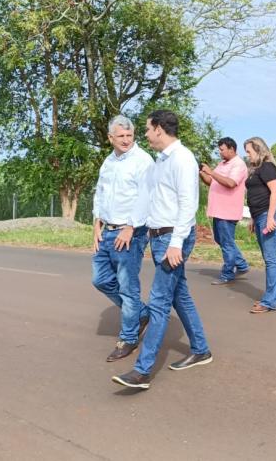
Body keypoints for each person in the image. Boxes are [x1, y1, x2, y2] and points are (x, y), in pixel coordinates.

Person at [112, 110, 212, 389]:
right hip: (158, 238)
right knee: (179, 295)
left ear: (158, 128)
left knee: (158, 302)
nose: (144, 134)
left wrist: (177, 243)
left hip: (172, 239)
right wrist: (132, 225)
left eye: (146, 128)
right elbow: (147, 198)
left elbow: (188, 203)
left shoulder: (182, 159)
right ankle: (201, 349)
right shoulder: (160, 161)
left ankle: (142, 371)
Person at [91, 115, 154, 362]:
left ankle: (128, 338)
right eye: (121, 136)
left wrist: (131, 226)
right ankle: (141, 312)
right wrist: (96, 223)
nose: (126, 140)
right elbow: (100, 193)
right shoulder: (108, 162)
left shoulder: (143, 161)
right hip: (107, 231)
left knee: (128, 287)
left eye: (130, 136)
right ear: (110, 138)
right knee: (100, 279)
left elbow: (146, 197)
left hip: (131, 233)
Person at [200, 137, 250, 285]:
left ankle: (228, 273)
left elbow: (230, 183)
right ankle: (241, 264)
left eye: (222, 150)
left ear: (231, 149)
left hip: (228, 210)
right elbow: (210, 181)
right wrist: (202, 172)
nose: (220, 153)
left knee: (227, 243)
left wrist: (211, 172)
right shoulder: (222, 164)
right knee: (220, 240)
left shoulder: (238, 165)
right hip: (218, 209)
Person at [243, 137, 276, 314]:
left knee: (270, 259)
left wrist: (270, 218)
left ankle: (270, 301)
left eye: (249, 151)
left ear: (259, 150)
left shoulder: (268, 167)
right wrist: (253, 218)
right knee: (269, 259)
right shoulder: (256, 169)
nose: (247, 155)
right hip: (260, 215)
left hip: (269, 215)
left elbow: (275, 192)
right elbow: (255, 194)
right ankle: (274, 296)